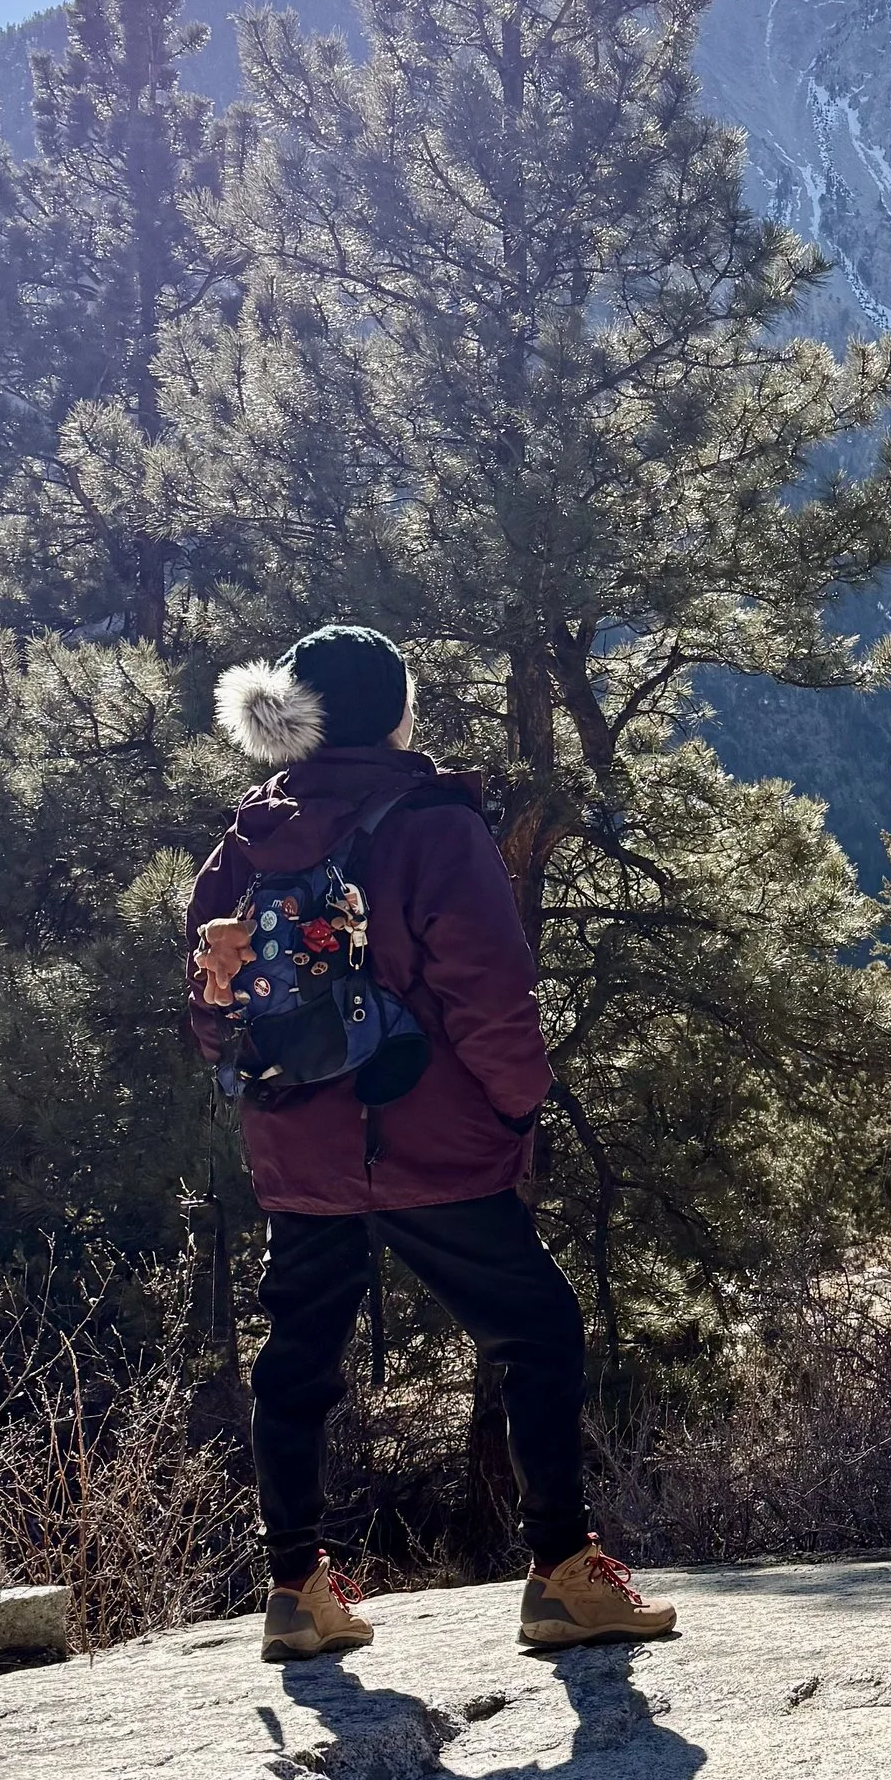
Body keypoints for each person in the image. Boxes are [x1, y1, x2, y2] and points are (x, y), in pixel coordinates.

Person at [184, 621, 675, 1662]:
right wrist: (515, 1111)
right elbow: (491, 995)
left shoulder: (248, 840)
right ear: (392, 709)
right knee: (537, 1332)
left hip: (300, 1148)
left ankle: (295, 1590)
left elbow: (209, 1008)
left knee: (298, 1358)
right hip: (430, 1141)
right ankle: (563, 1575)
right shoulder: (432, 825)